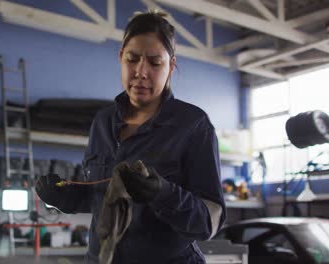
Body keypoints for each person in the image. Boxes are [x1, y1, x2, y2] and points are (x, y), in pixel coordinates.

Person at [36, 9, 226, 263]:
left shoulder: (193, 125)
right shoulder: (103, 122)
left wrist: (162, 194)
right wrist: (65, 197)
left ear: (171, 66)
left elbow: (208, 223)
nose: (141, 72)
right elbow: (98, 196)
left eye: (155, 63)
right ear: (120, 58)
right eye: (132, 59)